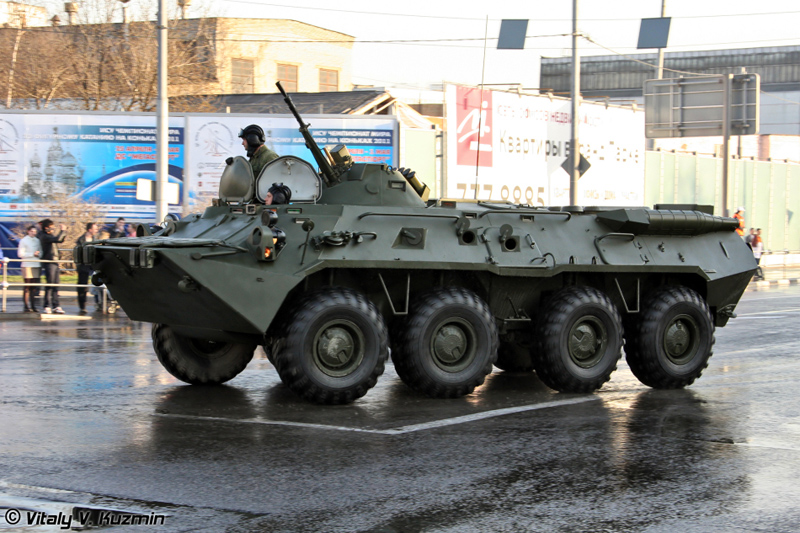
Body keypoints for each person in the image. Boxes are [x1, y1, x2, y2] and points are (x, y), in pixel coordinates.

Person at [38, 218, 66, 314]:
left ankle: (56, 305)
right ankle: (46, 305)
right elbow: (57, 239)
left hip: (55, 261)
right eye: (51, 227)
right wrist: (62, 231)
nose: (53, 229)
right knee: (50, 284)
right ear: (46, 228)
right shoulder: (44, 236)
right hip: (49, 262)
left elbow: (60, 240)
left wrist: (63, 233)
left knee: (56, 285)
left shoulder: (49, 235)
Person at [76, 222, 100, 315]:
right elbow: (78, 253)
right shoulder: (81, 240)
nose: (96, 230)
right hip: (83, 266)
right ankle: (82, 306)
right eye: (95, 229)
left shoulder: (95, 240)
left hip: (93, 265)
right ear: (90, 230)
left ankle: (99, 303)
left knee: (98, 284)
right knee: (82, 287)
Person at [17, 225, 42, 313]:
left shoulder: (37, 240)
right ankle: (26, 306)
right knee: (27, 286)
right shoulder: (24, 241)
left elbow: (41, 252)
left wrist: (38, 254)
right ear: (28, 231)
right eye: (32, 231)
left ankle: (33, 305)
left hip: (36, 264)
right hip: (27, 264)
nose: (33, 233)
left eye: (35, 231)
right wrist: (32, 254)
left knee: (34, 287)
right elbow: (20, 254)